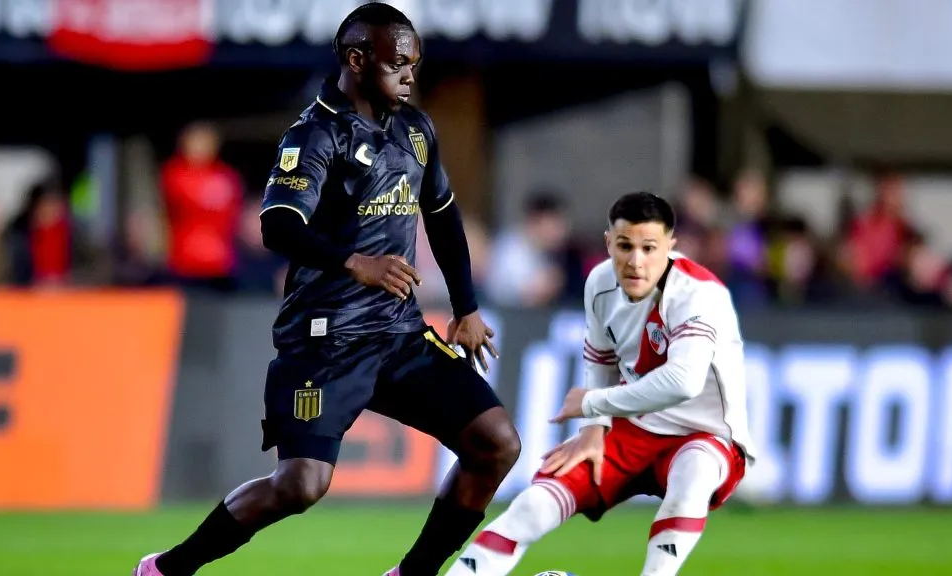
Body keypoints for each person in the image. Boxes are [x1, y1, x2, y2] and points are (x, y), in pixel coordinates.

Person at [135, 4, 520, 576]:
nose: (410, 76)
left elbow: (440, 215)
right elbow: (278, 224)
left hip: (399, 333)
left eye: (414, 65)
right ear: (357, 59)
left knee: (497, 443)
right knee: (301, 485)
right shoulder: (314, 135)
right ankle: (167, 568)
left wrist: (465, 306)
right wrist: (352, 261)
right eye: (398, 64)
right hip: (324, 339)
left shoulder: (416, 130)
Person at [444, 192, 755, 576]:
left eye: (649, 248)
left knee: (693, 476)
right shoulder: (601, 283)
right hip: (633, 429)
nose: (635, 261)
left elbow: (683, 381)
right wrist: (593, 431)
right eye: (625, 246)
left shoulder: (699, 294)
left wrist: (595, 404)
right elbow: (601, 359)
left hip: (706, 434)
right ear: (609, 243)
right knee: (532, 505)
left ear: (670, 247)